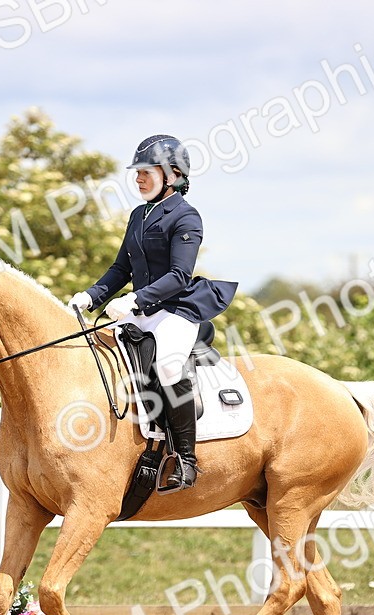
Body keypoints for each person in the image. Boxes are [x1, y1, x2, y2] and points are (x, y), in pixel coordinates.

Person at [69, 135, 237, 491]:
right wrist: (90, 295)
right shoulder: (137, 215)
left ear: (172, 175)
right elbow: (120, 269)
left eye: (147, 171)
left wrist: (135, 300)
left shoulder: (186, 217)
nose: (139, 178)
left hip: (175, 310)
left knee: (168, 364)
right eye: (138, 172)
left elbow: (179, 276)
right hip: (141, 307)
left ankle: (186, 460)